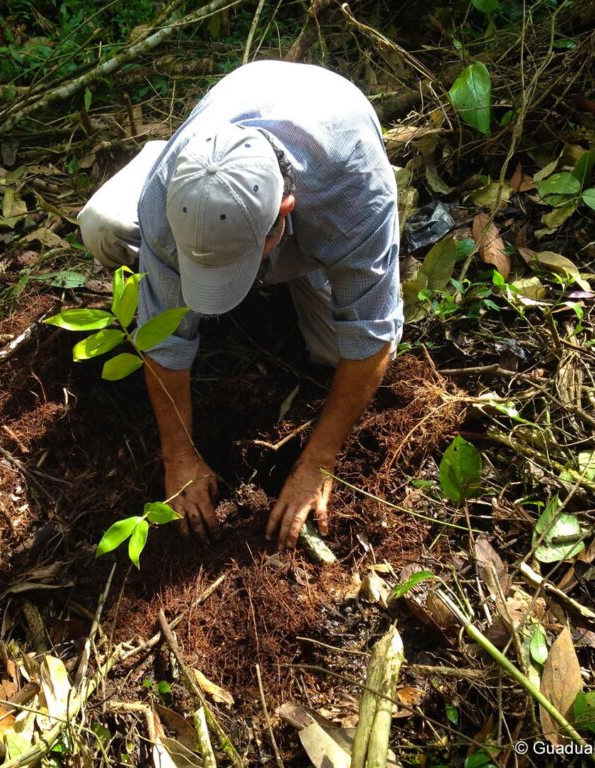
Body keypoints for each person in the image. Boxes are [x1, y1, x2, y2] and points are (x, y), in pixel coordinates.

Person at [78, 60, 402, 549]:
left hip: (325, 162)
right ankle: (155, 167)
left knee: (340, 357)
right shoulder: (170, 193)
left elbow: (372, 334)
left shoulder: (355, 193)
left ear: (283, 214)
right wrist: (179, 458)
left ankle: (295, 268)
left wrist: (318, 461)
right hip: (208, 162)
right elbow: (163, 339)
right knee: (102, 224)